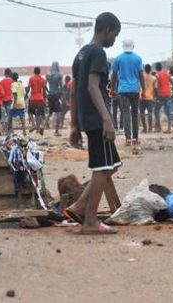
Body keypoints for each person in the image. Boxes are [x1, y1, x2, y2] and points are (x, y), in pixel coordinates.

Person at [66, 12, 122, 235]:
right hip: (97, 118)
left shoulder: (81, 54)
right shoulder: (97, 53)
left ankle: (78, 206)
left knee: (111, 164)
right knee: (102, 168)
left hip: (86, 118)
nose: (114, 41)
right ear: (107, 30)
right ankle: (89, 220)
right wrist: (107, 119)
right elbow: (92, 87)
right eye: (115, 36)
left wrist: (74, 124)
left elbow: (74, 93)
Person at [111, 38, 144, 146]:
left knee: (126, 113)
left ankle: (128, 139)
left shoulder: (118, 59)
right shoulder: (138, 58)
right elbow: (141, 75)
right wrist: (143, 88)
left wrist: (112, 89)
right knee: (135, 113)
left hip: (123, 90)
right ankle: (135, 138)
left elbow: (114, 75)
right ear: (133, 46)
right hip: (135, 90)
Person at [153, 62, 173, 133]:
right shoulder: (167, 74)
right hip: (167, 94)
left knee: (156, 110)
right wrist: (172, 93)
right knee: (168, 111)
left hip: (160, 95)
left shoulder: (157, 75)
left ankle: (159, 127)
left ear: (156, 68)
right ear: (161, 67)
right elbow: (172, 83)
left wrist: (155, 96)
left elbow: (155, 86)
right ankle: (169, 128)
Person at [27, 67, 47, 135]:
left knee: (30, 112)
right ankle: (38, 129)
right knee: (39, 115)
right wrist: (45, 100)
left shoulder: (31, 79)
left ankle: (33, 124)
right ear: (40, 72)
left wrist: (25, 95)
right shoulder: (43, 79)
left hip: (32, 99)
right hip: (40, 98)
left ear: (34, 72)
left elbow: (28, 88)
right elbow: (44, 90)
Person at [46, 61, 63, 136]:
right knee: (58, 113)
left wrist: (47, 92)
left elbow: (44, 85)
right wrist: (63, 98)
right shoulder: (59, 75)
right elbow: (61, 87)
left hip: (50, 94)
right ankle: (56, 131)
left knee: (50, 112)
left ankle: (43, 125)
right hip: (56, 95)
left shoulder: (48, 75)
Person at [139, 64, 155, 133]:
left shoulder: (141, 77)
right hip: (150, 97)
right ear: (150, 69)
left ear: (144, 69)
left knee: (142, 113)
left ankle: (145, 128)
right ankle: (150, 128)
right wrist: (154, 96)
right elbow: (155, 88)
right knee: (150, 113)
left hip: (142, 97)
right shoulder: (153, 78)